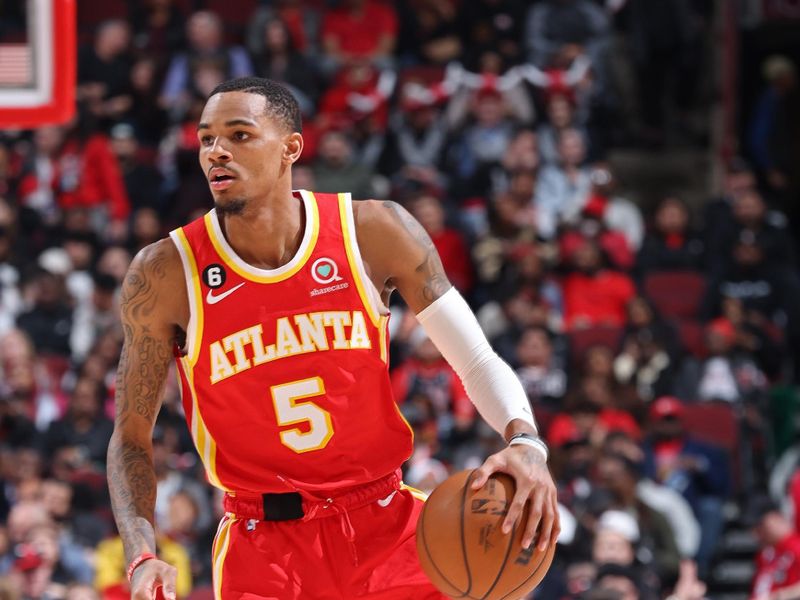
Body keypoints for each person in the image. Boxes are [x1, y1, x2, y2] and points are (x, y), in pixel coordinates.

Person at [107, 77, 559, 599]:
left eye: (239, 134)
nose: (217, 152)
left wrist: (525, 441)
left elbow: (477, 359)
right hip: (264, 549)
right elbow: (131, 437)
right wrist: (142, 553)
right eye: (206, 138)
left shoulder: (372, 231)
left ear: (291, 148)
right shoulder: (165, 273)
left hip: (388, 526)